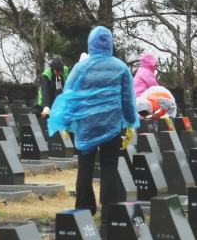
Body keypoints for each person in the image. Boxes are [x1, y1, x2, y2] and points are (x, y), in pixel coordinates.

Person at [48, 27, 139, 217]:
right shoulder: (120, 67)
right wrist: (131, 123)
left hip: (86, 125)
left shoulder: (81, 67)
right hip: (112, 125)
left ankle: (83, 208)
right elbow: (128, 99)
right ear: (110, 43)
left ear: (90, 43)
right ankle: (109, 211)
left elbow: (69, 93)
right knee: (109, 167)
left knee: (85, 166)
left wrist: (66, 122)